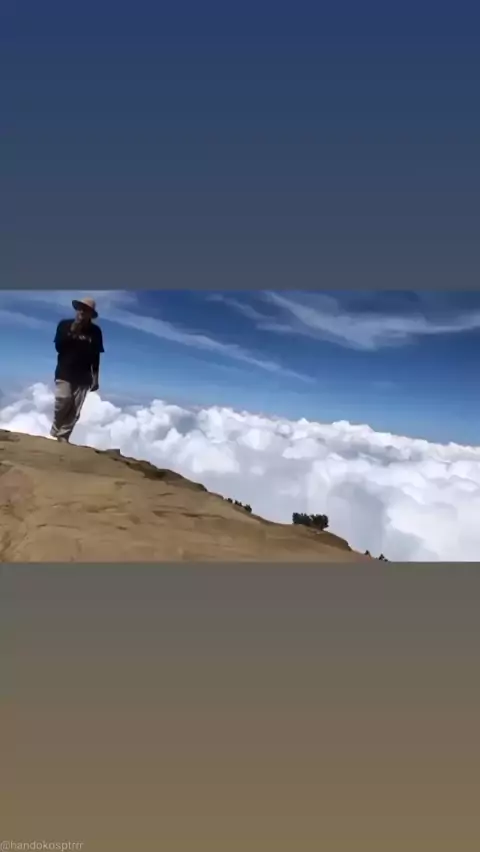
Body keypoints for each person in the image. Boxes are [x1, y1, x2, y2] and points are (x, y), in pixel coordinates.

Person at [50, 297, 105, 443]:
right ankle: (56, 428)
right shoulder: (64, 325)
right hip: (65, 371)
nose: (82, 311)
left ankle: (63, 436)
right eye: (80, 308)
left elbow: (96, 356)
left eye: (86, 310)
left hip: (84, 375)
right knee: (63, 400)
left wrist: (96, 377)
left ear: (90, 314)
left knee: (75, 409)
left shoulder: (95, 332)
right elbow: (59, 347)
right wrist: (72, 331)